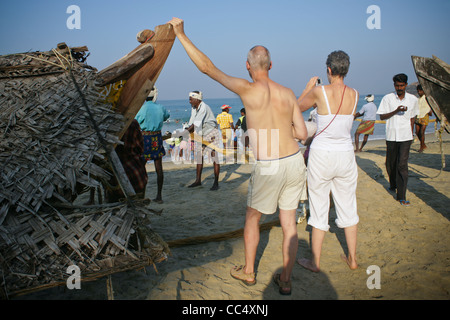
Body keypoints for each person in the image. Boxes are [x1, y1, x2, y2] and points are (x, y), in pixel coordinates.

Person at [169, 18, 307, 295]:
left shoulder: (247, 88)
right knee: (289, 222)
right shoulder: (288, 93)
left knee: (253, 218)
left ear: (247, 65)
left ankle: (248, 272)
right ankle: (287, 280)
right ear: (271, 65)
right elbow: (302, 133)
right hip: (294, 161)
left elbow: (207, 68)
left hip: (269, 165)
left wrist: (181, 33)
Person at [297, 50, 360, 272]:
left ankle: (315, 262)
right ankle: (352, 259)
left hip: (322, 155)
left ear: (329, 69)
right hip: (345, 154)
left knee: (319, 206)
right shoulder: (355, 94)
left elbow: (295, 109)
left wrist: (307, 88)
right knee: (348, 206)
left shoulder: (319, 91)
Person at [377, 73, 419, 206]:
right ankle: (393, 184)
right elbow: (382, 117)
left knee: (402, 165)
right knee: (391, 164)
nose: (399, 88)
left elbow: (413, 118)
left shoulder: (413, 99)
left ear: (406, 85)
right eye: (397, 85)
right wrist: (396, 111)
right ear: (394, 85)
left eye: (401, 85)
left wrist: (412, 134)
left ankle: (401, 196)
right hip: (391, 136)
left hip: (406, 137)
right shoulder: (387, 98)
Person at [135, 87, 170, 203]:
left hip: (144, 138)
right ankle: (159, 196)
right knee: (159, 168)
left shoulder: (141, 108)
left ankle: (142, 196)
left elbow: (135, 121)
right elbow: (166, 116)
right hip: (157, 138)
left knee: (141, 168)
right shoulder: (160, 107)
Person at [185, 91, 221, 191]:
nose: (189, 101)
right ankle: (198, 181)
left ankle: (216, 183)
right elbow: (192, 122)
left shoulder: (203, 107)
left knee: (214, 157)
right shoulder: (194, 108)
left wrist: (184, 133)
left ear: (197, 99)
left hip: (211, 132)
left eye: (191, 99)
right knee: (199, 157)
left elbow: (195, 124)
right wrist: (186, 130)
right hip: (201, 133)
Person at [108, 119, 148, 201]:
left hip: (114, 180)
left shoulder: (105, 124)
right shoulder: (132, 123)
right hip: (135, 176)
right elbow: (141, 148)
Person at [415, 84, 433, 153]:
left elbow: (431, 105)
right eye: (418, 91)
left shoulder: (427, 98)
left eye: (420, 91)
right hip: (418, 116)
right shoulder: (418, 99)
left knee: (422, 132)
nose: (419, 92)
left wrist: (430, 111)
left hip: (424, 115)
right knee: (417, 132)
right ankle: (423, 144)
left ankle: (421, 147)